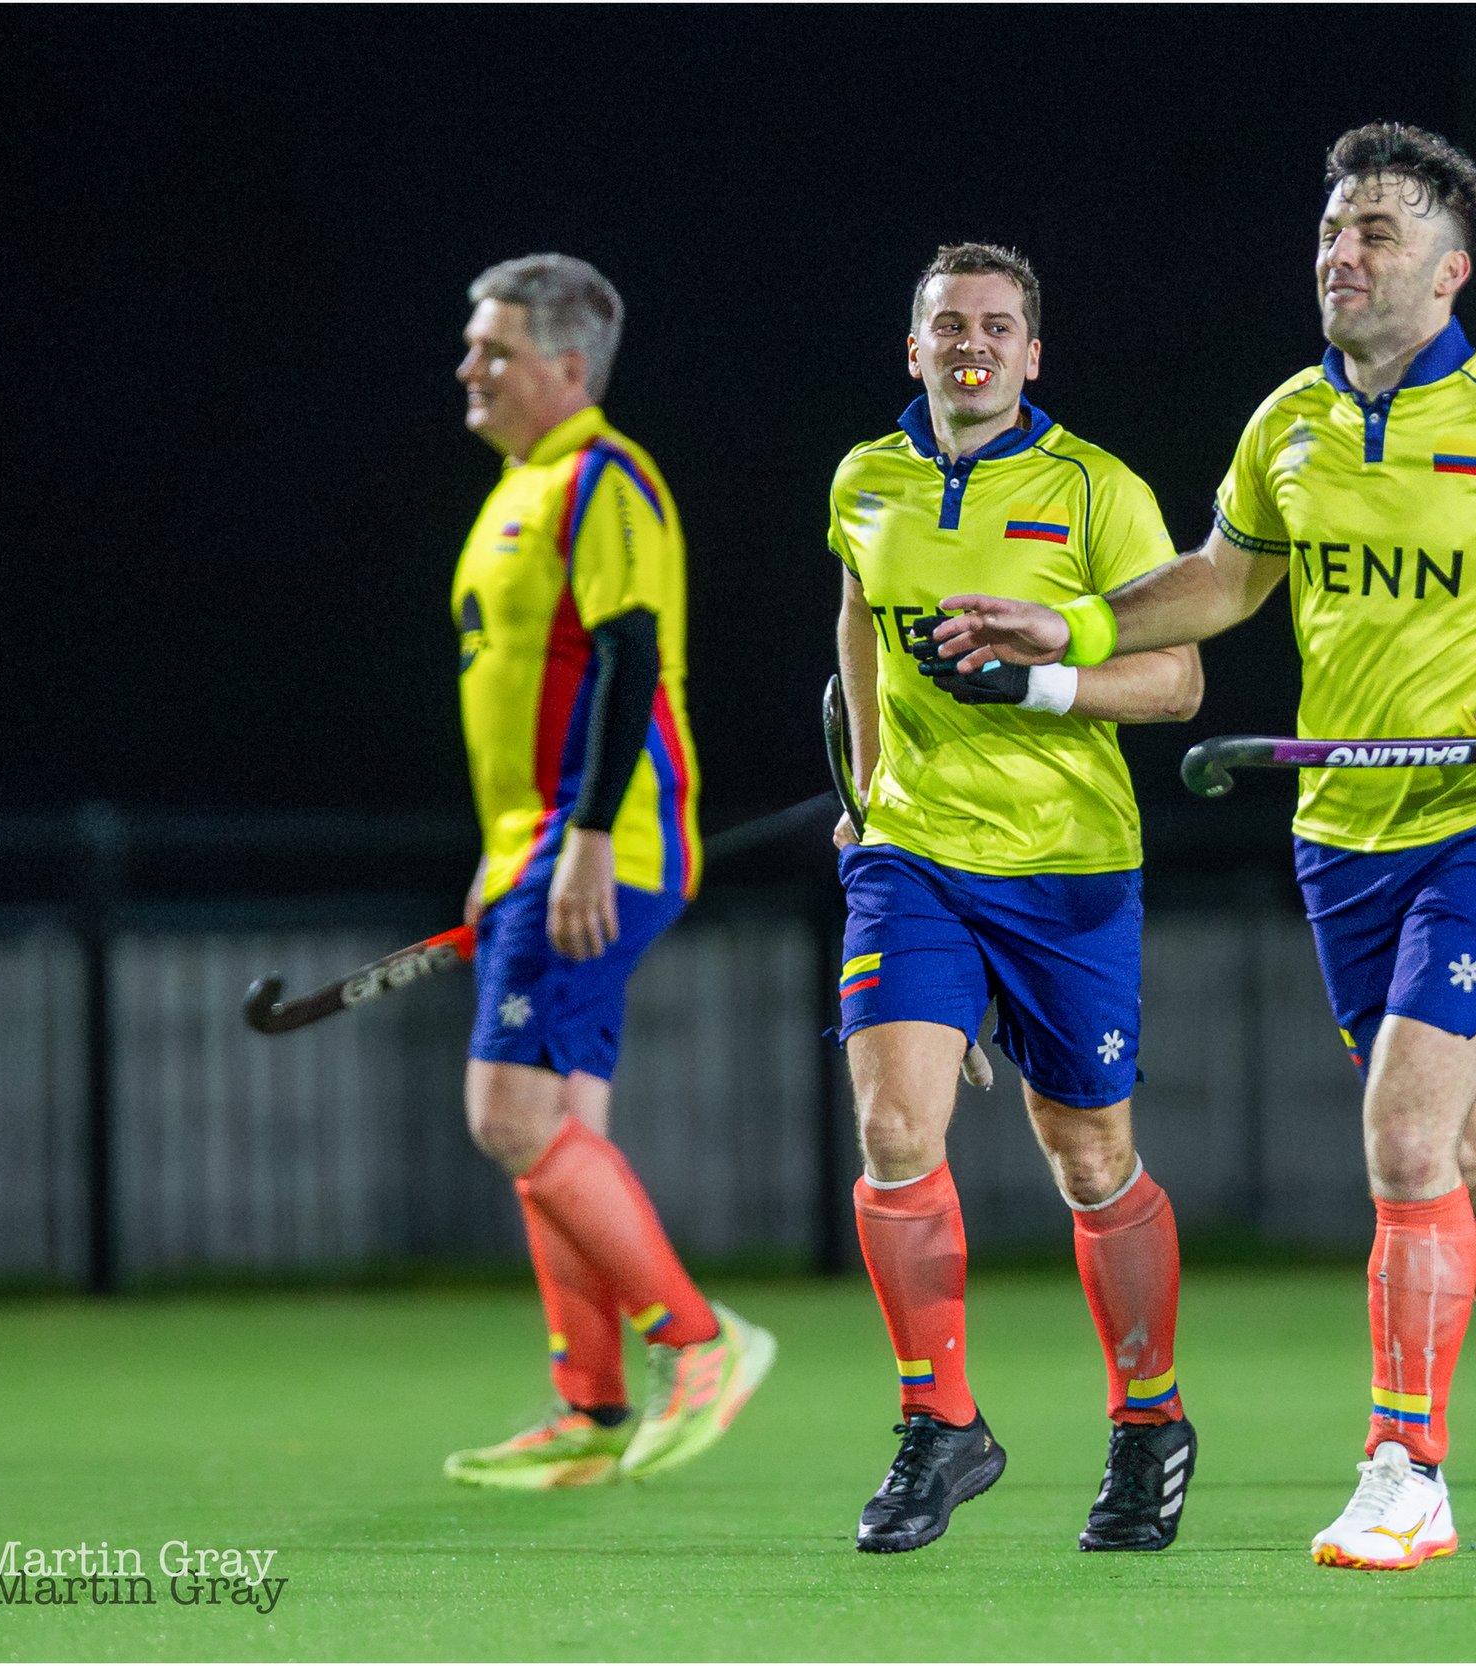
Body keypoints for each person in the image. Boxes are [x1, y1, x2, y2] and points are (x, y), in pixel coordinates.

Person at [933, 125, 1476, 1577]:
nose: (1345, 254)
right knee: (1465, 1156)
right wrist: (1075, 625)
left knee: (1404, 1131)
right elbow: (1222, 582)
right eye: (1336, 229)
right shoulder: (1287, 419)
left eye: (1382, 233)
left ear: (1450, 269)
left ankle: (1407, 1466)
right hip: (1344, 841)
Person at [828, 243, 1205, 1554]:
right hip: (917, 855)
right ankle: (942, 1422)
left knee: (1090, 1159)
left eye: (997, 327)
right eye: (948, 326)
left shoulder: (1099, 491)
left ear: (1034, 353)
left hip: (1066, 862)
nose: (970, 345)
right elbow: (859, 629)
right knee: (892, 1124)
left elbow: (1178, 689)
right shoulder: (865, 479)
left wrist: (1038, 685)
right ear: (914, 345)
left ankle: (1149, 1420)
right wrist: (869, 788)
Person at [439, 253, 773, 1489]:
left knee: (505, 1112)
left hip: (602, 844)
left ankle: (702, 1342)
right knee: (561, 1123)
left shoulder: (601, 478)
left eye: (495, 349)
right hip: (541, 844)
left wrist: (578, 835)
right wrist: (502, 849)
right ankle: (588, 1407)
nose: (469, 366)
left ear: (567, 369)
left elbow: (630, 658)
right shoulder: (519, 490)